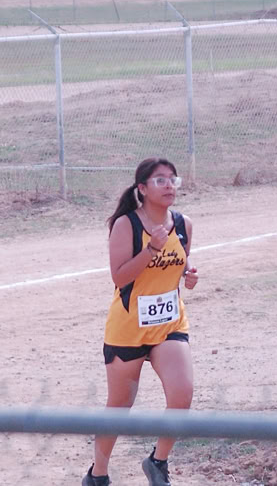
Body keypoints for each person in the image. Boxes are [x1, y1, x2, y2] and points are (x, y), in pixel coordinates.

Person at [82, 158, 199, 486]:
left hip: (169, 325)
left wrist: (189, 274)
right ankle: (98, 475)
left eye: (173, 179)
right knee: (120, 406)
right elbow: (120, 277)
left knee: (182, 395)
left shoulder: (184, 224)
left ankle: (157, 461)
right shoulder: (126, 225)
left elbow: (180, 260)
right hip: (129, 328)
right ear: (142, 189)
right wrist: (150, 249)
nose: (169, 185)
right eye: (160, 180)